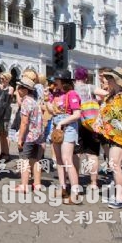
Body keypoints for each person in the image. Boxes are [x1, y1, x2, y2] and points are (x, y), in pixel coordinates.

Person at [93, 67, 122, 209]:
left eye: (110, 78)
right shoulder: (112, 95)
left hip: (121, 136)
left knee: (115, 164)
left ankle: (119, 197)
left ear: (117, 81)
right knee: (114, 165)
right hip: (111, 135)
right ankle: (117, 195)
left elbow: (113, 113)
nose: (107, 80)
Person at [48, 69, 82, 204]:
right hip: (57, 126)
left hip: (68, 127)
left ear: (63, 81)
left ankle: (75, 192)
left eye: (57, 80)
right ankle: (63, 188)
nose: (54, 82)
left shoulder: (72, 94)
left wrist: (62, 122)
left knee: (67, 159)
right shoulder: (55, 93)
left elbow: (77, 114)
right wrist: (47, 98)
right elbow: (51, 110)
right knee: (59, 159)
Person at [15, 77, 44, 193]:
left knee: (24, 160)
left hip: (29, 135)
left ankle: (24, 185)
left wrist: (20, 138)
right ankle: (37, 184)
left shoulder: (26, 102)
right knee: (35, 159)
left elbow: (24, 122)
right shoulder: (34, 101)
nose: (18, 90)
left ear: (26, 90)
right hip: (38, 134)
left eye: (20, 87)